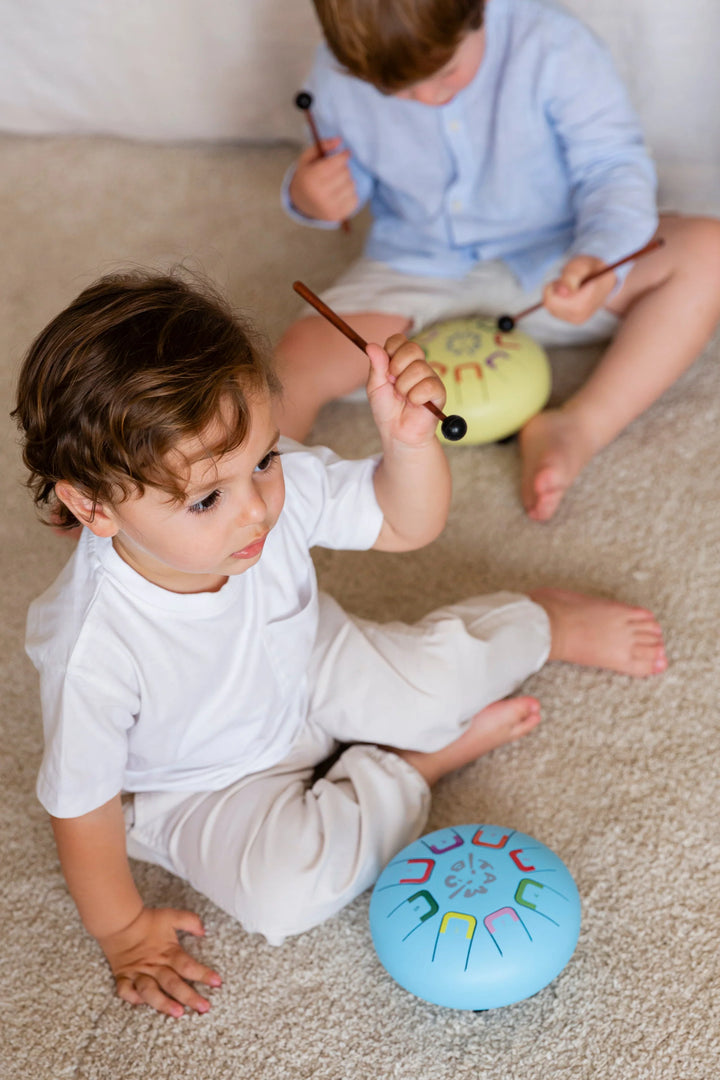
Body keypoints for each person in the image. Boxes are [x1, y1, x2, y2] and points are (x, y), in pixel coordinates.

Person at [13, 270, 667, 1018]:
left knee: (440, 687)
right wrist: (125, 932)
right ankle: (420, 766)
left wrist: (407, 443)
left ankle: (538, 620)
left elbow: (401, 525)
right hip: (199, 781)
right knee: (286, 895)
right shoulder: (90, 647)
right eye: (206, 499)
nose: (256, 509)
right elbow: (83, 807)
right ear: (92, 505)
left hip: (312, 662)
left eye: (262, 460)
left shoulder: (265, 484)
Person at [277, 0, 720, 521]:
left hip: (557, 256)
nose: (424, 98)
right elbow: (348, 181)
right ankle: (265, 484)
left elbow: (612, 168)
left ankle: (579, 425)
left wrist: (601, 260)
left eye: (443, 74)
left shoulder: (553, 44)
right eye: (393, 90)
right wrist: (311, 198)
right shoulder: (337, 67)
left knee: (708, 253)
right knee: (298, 358)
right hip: (417, 262)